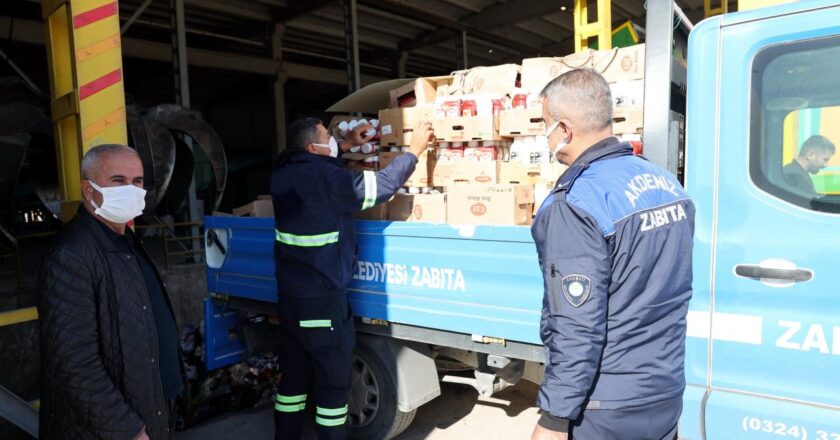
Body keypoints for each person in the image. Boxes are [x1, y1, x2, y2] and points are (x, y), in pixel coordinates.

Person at [530, 69, 695, 440]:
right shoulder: (667, 183)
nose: (546, 135)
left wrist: (555, 417)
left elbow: (576, 325)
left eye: (545, 125)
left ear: (565, 129)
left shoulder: (576, 202)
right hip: (664, 387)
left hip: (608, 402)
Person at [270, 117, 433, 439]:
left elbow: (314, 173)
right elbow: (382, 187)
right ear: (313, 146)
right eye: (328, 136)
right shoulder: (327, 178)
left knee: (293, 383)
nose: (333, 138)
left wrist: (346, 147)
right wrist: (414, 151)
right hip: (322, 304)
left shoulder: (282, 174)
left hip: (290, 300)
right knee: (332, 388)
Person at [37, 144, 183, 440]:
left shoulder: (126, 240)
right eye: (118, 180)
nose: (131, 189)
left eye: (138, 181)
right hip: (112, 428)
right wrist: (128, 430)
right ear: (88, 191)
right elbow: (74, 364)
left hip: (151, 408)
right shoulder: (70, 255)